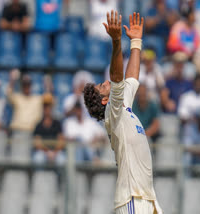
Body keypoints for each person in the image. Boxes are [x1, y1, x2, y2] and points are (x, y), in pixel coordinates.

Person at [83, 11, 162, 213]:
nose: (107, 82)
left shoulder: (122, 106)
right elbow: (117, 77)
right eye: (103, 85)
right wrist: (117, 42)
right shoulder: (113, 112)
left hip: (147, 198)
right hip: (132, 199)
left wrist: (136, 42)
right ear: (104, 99)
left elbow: (132, 79)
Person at [33, 93, 66, 165]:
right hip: (43, 152)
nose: (47, 108)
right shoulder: (38, 124)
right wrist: (47, 152)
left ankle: (61, 177)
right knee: (38, 158)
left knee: (62, 159)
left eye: (49, 106)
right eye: (45, 106)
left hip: (56, 152)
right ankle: (39, 176)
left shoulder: (57, 123)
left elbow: (61, 141)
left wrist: (54, 152)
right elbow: (37, 143)